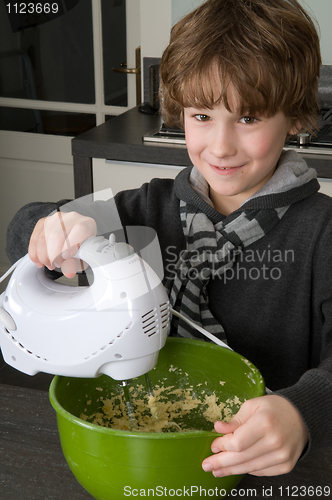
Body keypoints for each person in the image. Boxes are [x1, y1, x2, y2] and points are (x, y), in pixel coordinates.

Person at [5, 0, 332, 480]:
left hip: (264, 470)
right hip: (139, 453)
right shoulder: (145, 210)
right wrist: (53, 227)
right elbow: (23, 231)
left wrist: (305, 412)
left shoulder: (322, 234)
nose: (219, 147)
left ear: (297, 118)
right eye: (202, 116)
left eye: (248, 119)